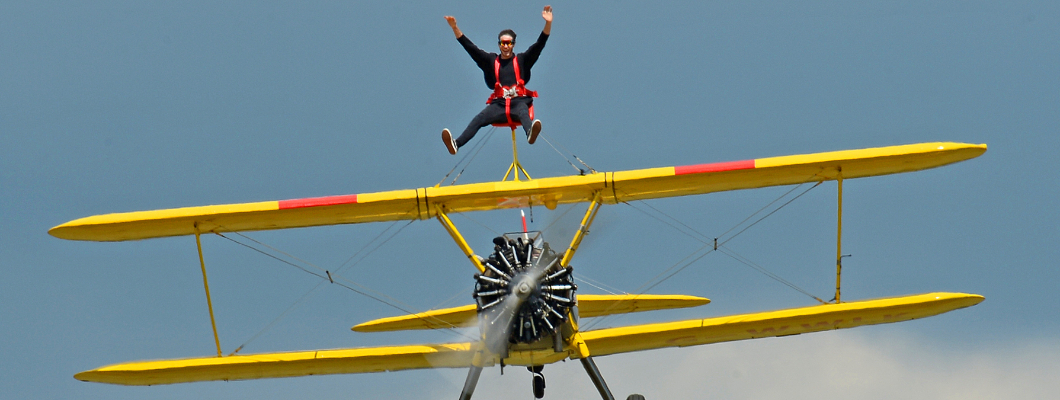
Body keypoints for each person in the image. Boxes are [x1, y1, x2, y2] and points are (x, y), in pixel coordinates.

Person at [441, 6, 553, 155]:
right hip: (498, 104)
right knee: (479, 119)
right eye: (502, 43)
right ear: (499, 44)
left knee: (522, 112)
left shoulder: (521, 60)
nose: (506, 46)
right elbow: (470, 48)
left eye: (509, 43)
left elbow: (539, 45)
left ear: (513, 44)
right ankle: (456, 144)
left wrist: (548, 23)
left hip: (518, 101)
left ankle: (530, 133)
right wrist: (455, 28)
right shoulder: (491, 60)